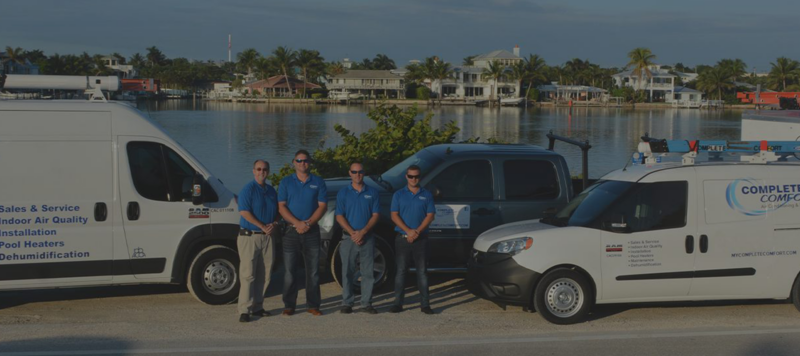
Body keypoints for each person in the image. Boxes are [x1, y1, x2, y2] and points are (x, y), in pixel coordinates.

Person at [278, 150, 328, 316]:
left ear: (310, 162)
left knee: (313, 272)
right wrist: (297, 223)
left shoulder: (318, 182)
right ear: (294, 162)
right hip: (290, 232)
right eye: (299, 160)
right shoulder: (286, 182)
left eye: (305, 161)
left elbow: (322, 206)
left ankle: (313, 305)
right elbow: (282, 207)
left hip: (311, 231)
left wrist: (307, 223)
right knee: (290, 272)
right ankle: (289, 305)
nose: (302, 163)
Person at [389, 165, 436, 315]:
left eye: (416, 176)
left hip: (421, 239)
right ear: (406, 177)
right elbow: (394, 215)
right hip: (403, 238)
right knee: (401, 271)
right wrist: (408, 231)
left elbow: (430, 215)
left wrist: (417, 231)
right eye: (411, 176)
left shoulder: (427, 194)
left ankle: (425, 304)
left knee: (422, 272)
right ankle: (398, 303)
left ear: (420, 177)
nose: (413, 179)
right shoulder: (398, 194)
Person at [237, 159, 279, 323]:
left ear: (268, 172)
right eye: (259, 169)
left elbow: (277, 211)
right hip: (249, 236)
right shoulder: (248, 189)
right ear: (253, 171)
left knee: (265, 274)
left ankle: (258, 306)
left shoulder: (270, 191)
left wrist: (273, 224)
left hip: (267, 237)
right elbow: (244, 212)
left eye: (265, 169)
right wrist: (262, 225)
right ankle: (244, 310)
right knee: (248, 275)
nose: (262, 172)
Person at [335, 162, 380, 315]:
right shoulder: (343, 193)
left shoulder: (372, 192)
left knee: (368, 272)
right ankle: (347, 303)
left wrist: (363, 232)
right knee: (347, 271)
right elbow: (339, 216)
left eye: (360, 172)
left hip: (367, 237)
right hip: (349, 238)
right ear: (350, 173)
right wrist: (353, 233)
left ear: (364, 173)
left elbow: (375, 215)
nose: (357, 175)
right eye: (354, 172)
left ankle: (366, 303)